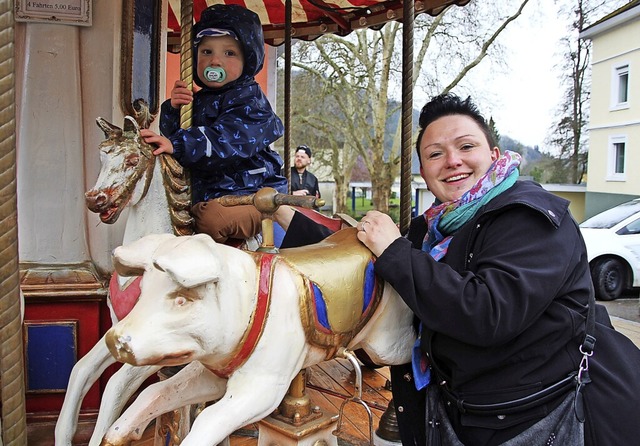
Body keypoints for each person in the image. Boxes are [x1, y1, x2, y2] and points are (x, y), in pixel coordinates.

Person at [275, 93, 640, 446]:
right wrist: (277, 210)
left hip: (531, 416)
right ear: (424, 170)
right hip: (460, 411)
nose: (452, 161)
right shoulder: (435, 229)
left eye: (466, 147)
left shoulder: (531, 219)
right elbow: (369, 267)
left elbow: (488, 312)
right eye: (436, 153)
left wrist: (395, 250)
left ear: (493, 155)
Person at [141, 4, 286, 243]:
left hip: (251, 194)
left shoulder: (251, 102)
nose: (215, 61)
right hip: (210, 192)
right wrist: (174, 110)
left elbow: (226, 141)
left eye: (229, 53)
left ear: (247, 60)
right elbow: (178, 142)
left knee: (212, 219)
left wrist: (177, 144)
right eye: (206, 52)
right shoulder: (197, 100)